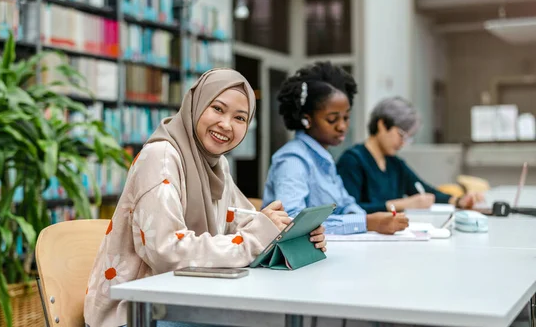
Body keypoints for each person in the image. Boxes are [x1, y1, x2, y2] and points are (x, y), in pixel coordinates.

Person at [84, 69, 327, 327]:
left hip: (184, 301)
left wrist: (290, 235)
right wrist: (258, 236)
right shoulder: (161, 158)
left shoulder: (217, 165)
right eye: (218, 109)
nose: (226, 124)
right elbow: (168, 253)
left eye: (240, 118)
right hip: (134, 314)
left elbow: (245, 223)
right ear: (196, 104)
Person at [262, 62, 409, 236]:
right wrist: (367, 222)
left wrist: (370, 219)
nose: (342, 126)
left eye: (346, 118)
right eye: (332, 119)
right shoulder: (292, 160)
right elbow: (292, 222)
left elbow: (346, 204)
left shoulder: (324, 159)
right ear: (306, 119)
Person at [336, 96, 482, 213]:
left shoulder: (394, 164)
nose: (403, 143)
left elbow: (425, 191)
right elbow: (349, 210)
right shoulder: (352, 161)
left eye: (408, 138)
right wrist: (403, 204)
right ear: (382, 125)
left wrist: (458, 201)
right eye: (401, 135)